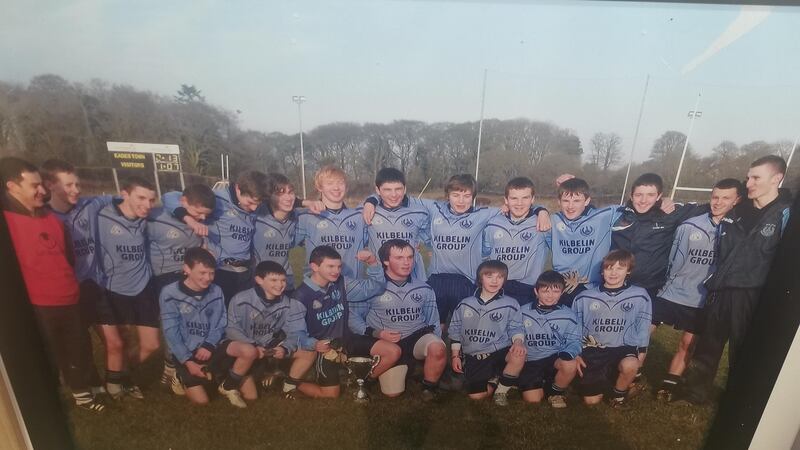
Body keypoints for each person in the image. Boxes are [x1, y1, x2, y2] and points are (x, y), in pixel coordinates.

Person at [682, 155, 792, 404]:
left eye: (755, 178)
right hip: (721, 290)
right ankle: (694, 394)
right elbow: (706, 208)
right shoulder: (738, 210)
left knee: (744, 351)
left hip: (753, 294)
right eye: (748, 177)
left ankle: (740, 402)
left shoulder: (786, 214)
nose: (749, 182)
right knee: (707, 347)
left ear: (776, 179)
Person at [2, 157, 106, 412]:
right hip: (37, 305)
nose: (42, 191)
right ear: (12, 187)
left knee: (79, 349)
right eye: (34, 186)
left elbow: (68, 258)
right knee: (43, 358)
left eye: (41, 185)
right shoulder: (7, 223)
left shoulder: (53, 220)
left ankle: (82, 394)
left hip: (69, 298)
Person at [652, 178, 742, 401]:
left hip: (701, 299)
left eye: (725, 198)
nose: (718, 202)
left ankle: (669, 385)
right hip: (672, 292)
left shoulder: (738, 231)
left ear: (737, 200)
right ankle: (629, 375)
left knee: (687, 343)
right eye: (715, 197)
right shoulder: (690, 225)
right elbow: (674, 258)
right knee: (643, 332)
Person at [41, 159, 110, 394]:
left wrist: (186, 213)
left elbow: (129, 198)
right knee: (79, 343)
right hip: (67, 291)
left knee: (114, 338)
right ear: (50, 184)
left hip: (95, 285)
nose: (76, 190)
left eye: (77, 184)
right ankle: (88, 382)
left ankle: (116, 378)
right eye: (69, 185)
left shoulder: (89, 205)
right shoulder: (42, 218)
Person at [282, 245, 385, 399]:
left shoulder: (341, 283)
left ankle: (353, 377)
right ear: (314, 267)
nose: (336, 271)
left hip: (345, 342)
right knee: (331, 396)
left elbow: (375, 288)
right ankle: (290, 382)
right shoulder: (300, 296)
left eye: (338, 266)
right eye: (330, 266)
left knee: (387, 350)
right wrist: (314, 344)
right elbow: (296, 332)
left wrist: (372, 263)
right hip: (324, 350)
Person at [348, 239, 446, 399]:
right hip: (388, 345)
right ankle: (364, 379)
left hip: (416, 338)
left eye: (410, 257)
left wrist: (437, 352)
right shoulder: (371, 288)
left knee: (438, 348)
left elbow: (433, 321)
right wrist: (376, 333)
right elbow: (353, 319)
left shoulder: (424, 288)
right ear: (385, 261)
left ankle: (429, 388)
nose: (407, 262)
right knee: (393, 393)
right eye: (399, 258)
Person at [159, 247, 251, 408]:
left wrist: (209, 344)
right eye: (202, 273)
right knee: (202, 401)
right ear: (186, 269)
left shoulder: (216, 290)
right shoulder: (169, 293)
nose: (208, 278)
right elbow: (171, 331)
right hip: (188, 352)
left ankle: (227, 384)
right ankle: (181, 377)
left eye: (211, 273)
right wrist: (187, 361)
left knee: (249, 353)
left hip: (211, 345)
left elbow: (221, 321)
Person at [95, 176, 159, 399]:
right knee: (119, 342)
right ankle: (116, 384)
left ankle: (123, 375)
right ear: (124, 194)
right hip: (113, 288)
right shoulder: (101, 217)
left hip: (143, 286)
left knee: (151, 344)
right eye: (141, 198)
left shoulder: (147, 220)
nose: (147, 205)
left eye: (151, 199)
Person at [147, 183, 216, 391]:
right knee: (173, 323)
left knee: (193, 322)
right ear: (183, 203)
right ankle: (172, 366)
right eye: (198, 213)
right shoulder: (157, 217)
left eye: (205, 214)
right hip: (165, 277)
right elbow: (170, 195)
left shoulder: (202, 220)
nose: (202, 218)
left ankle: (180, 366)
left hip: (192, 278)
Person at [164, 170, 271, 301]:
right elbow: (169, 197)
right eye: (250, 203)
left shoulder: (257, 201)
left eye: (257, 203)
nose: (254, 208)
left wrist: (302, 203)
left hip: (246, 271)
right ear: (238, 188)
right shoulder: (217, 198)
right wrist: (189, 220)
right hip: (221, 269)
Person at [572, 250, 652, 407]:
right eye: (609, 268)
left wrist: (641, 354)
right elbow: (574, 328)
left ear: (628, 271)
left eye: (620, 268)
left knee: (630, 365)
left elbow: (643, 326)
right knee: (591, 401)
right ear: (602, 271)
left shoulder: (640, 295)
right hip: (593, 350)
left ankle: (618, 396)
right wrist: (574, 353)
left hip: (623, 348)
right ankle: (611, 380)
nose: (613, 273)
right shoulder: (584, 297)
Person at [611, 173, 707, 300]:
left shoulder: (669, 214)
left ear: (659, 196)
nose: (643, 200)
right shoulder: (616, 214)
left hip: (651, 288)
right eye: (639, 195)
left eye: (650, 195)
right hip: (615, 284)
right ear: (631, 195)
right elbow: (584, 212)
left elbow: (711, 206)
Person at [449, 260, 527, 406]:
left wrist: (518, 342)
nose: (494, 281)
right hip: (475, 355)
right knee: (476, 397)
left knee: (519, 354)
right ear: (480, 278)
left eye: (499, 277)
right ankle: (496, 380)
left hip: (499, 351)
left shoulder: (511, 303)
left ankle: (501, 391)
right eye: (489, 276)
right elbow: (455, 330)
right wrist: (455, 356)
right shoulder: (465, 303)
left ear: (504, 280)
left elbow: (516, 328)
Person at [224, 261, 302, 400]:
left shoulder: (286, 303)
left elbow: (293, 331)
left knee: (308, 350)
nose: (280, 284)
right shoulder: (240, 299)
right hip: (244, 350)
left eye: (283, 280)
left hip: (266, 349)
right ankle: (226, 379)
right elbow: (231, 329)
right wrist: (253, 345)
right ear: (259, 280)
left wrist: (285, 348)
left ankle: (283, 381)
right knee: (252, 397)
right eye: (273, 280)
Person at [548, 176, 620, 306]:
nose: (570, 206)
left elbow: (639, 206)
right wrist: (540, 211)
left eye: (576, 201)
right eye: (565, 201)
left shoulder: (603, 216)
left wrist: (664, 202)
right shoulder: (552, 220)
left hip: (593, 287)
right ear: (558, 201)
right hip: (562, 286)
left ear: (587, 201)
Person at [483, 177, 549, 305]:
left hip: (527, 289)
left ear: (533, 199)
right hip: (497, 287)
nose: (519, 203)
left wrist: (542, 210)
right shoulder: (493, 223)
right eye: (514, 198)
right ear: (506, 200)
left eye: (525, 198)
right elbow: (484, 255)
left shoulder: (542, 223)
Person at [519, 271, 581, 408]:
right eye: (545, 291)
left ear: (562, 292)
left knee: (570, 364)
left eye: (555, 291)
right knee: (533, 400)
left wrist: (570, 353)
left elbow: (575, 340)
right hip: (532, 361)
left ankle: (555, 393)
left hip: (554, 359)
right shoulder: (523, 312)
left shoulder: (569, 314)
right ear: (536, 291)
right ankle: (542, 384)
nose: (550, 296)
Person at [296, 166, 370, 279]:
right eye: (330, 183)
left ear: (346, 187)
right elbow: (274, 202)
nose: (336, 187)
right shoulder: (305, 217)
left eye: (340, 183)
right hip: (319, 291)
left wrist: (371, 201)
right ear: (319, 187)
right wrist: (304, 202)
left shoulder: (359, 217)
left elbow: (385, 193)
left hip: (352, 289)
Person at [361, 168, 430, 281]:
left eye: (398, 189)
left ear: (405, 189)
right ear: (377, 190)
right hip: (380, 282)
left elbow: (432, 242)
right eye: (387, 190)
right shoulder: (367, 212)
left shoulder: (420, 212)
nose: (393, 195)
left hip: (414, 280)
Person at [253, 174, 300, 293]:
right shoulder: (256, 215)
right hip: (260, 284)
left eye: (290, 192)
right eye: (280, 193)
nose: (288, 198)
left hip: (286, 282)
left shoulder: (299, 217)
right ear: (269, 196)